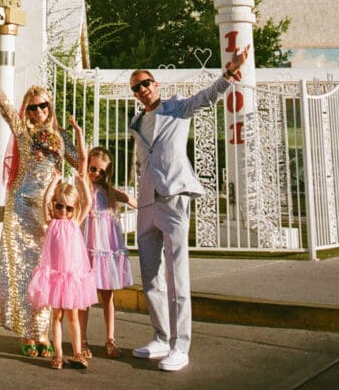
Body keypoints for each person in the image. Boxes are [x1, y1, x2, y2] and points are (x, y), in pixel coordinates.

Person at [129, 44, 249, 372]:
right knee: (150, 276)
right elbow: (141, 161)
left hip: (173, 197)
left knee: (176, 275)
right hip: (146, 202)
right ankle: (160, 336)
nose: (142, 89)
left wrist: (229, 73)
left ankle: (180, 346)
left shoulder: (177, 108)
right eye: (136, 87)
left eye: (146, 83)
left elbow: (206, 97)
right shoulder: (136, 122)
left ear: (156, 84)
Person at [0, 68, 83, 356]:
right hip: (20, 209)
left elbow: (80, 163)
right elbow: (4, 105)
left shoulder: (60, 137)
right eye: (33, 107)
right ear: (27, 110)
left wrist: (78, 136)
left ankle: (42, 331)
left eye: (43, 105)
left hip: (48, 213)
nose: (39, 111)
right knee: (23, 271)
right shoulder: (23, 132)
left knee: (46, 272)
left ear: (50, 107)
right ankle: (29, 333)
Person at [27, 173, 98, 369]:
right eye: (59, 206)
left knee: (73, 317)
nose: (64, 211)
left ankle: (77, 353)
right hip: (55, 277)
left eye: (69, 208)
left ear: (74, 208)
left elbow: (88, 203)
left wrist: (82, 183)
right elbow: (45, 200)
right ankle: (58, 355)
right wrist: (54, 181)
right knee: (56, 317)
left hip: (71, 278)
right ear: (54, 205)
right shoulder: (51, 222)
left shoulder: (75, 222)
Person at [79, 146, 136, 359]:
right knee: (85, 295)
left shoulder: (108, 192)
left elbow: (129, 199)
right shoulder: (82, 185)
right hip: (88, 247)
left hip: (106, 249)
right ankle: (82, 340)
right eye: (93, 168)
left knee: (107, 294)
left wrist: (147, 205)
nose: (96, 174)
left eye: (101, 171)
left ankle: (110, 338)